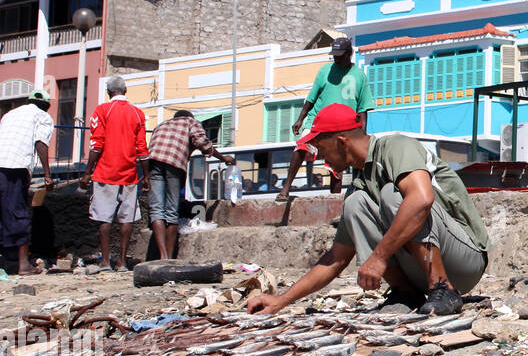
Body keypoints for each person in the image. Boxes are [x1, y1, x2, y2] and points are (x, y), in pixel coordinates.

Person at [248, 104, 490, 317]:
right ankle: (405, 293)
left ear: (341, 142)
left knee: (394, 195)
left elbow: (421, 200)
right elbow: (336, 258)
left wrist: (379, 257)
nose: (324, 159)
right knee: (355, 204)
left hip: (465, 260)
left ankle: (442, 288)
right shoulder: (360, 184)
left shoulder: (396, 146)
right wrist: (281, 301)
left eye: (323, 150)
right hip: (422, 271)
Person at [277, 37, 372, 202]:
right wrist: (301, 119)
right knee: (302, 146)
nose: (337, 58)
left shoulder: (359, 75)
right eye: (334, 55)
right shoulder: (324, 71)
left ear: (349, 53)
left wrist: (361, 134)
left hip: (343, 126)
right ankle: (285, 189)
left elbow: (363, 109)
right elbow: (311, 98)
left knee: (338, 165)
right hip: (318, 121)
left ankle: (335, 200)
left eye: (340, 55)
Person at [80, 76, 149, 271]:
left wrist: (87, 172)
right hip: (129, 174)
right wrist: (147, 176)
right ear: (125, 91)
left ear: (109, 92)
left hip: (105, 172)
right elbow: (142, 148)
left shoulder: (102, 110)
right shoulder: (137, 113)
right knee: (126, 219)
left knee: (105, 218)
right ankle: (123, 262)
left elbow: (97, 144)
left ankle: (105, 261)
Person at [146, 109, 235, 260]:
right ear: (189, 117)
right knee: (171, 211)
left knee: (156, 210)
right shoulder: (191, 122)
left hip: (153, 164)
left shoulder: (160, 125)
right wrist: (223, 158)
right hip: (174, 164)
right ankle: (168, 258)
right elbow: (204, 145)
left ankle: (161, 255)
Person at [0, 90, 54, 275]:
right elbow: (41, 143)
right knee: (18, 213)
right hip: (14, 167)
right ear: (46, 106)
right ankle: (23, 265)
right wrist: (47, 175)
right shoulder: (42, 116)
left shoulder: (10, 114)